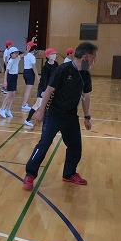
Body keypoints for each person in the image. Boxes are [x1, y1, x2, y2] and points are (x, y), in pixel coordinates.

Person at [22, 42, 98, 191]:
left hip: (71, 116)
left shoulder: (85, 74)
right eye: (93, 57)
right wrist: (41, 111)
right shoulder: (63, 69)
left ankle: (69, 174)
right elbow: (49, 90)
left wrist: (87, 117)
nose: (94, 61)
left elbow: (86, 97)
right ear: (85, 57)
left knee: (75, 147)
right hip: (54, 114)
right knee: (44, 144)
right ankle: (30, 174)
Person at [25, 48, 58, 128]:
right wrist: (45, 91)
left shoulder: (56, 64)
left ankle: (48, 120)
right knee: (38, 104)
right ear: (47, 56)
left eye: (55, 54)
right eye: (52, 54)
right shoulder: (45, 67)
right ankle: (28, 119)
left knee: (50, 104)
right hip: (43, 88)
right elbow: (44, 81)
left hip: (52, 88)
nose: (54, 55)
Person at [0, 46, 20, 118]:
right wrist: (5, 81)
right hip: (10, 77)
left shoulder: (17, 58)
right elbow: (6, 72)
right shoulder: (10, 61)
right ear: (11, 54)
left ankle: (8, 109)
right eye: (15, 53)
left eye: (17, 53)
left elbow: (24, 55)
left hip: (15, 77)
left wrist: (28, 49)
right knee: (9, 95)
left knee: (13, 95)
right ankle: (2, 109)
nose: (17, 54)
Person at [21, 41, 40, 110]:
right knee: (28, 90)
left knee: (27, 89)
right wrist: (37, 76)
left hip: (25, 72)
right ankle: (23, 105)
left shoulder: (26, 55)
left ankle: (25, 103)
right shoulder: (31, 56)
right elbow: (33, 66)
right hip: (30, 72)